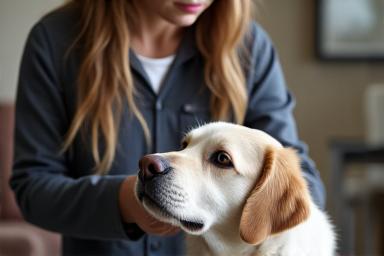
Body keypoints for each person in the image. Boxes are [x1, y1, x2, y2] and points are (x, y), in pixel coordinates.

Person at [11, 0, 326, 255]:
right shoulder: (55, 41)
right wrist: (123, 202)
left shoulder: (250, 48)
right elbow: (33, 188)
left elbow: (301, 186)